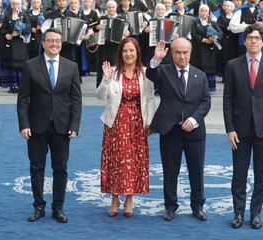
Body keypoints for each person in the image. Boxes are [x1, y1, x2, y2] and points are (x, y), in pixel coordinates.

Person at [17, 28, 82, 223]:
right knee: (37, 168)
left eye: (58, 41)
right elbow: (23, 99)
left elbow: (76, 99)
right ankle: (38, 207)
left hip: (62, 127)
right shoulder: (30, 65)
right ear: (43, 43)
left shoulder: (71, 67)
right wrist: (24, 124)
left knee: (60, 168)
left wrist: (75, 125)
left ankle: (58, 207)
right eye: (51, 41)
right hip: (36, 126)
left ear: (62, 44)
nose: (55, 44)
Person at [223, 24, 263, 229]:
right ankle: (238, 213)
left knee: (261, 174)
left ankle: (256, 213)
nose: (253, 41)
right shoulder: (232, 65)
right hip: (239, 131)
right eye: (249, 37)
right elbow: (228, 100)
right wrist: (229, 129)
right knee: (238, 174)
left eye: (256, 38)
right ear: (244, 41)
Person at [146, 38, 211, 221]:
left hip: (194, 131)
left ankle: (197, 205)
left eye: (185, 52)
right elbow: (151, 74)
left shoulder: (200, 75)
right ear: (172, 53)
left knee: (196, 170)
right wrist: (156, 59)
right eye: (177, 52)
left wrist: (193, 120)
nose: (182, 56)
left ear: (190, 53)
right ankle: (170, 207)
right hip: (170, 131)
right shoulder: (164, 71)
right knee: (170, 170)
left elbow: (205, 102)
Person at [96, 37, 155, 218]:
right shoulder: (113, 73)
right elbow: (100, 96)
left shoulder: (145, 73)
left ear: (137, 52)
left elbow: (150, 100)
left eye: (132, 50)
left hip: (138, 123)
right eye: (125, 51)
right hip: (116, 123)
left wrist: (150, 123)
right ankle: (114, 198)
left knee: (134, 161)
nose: (128, 54)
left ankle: (129, 198)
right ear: (120, 54)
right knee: (116, 161)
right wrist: (105, 80)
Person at [0, 0, 31, 94]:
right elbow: (3, 29)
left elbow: (28, 28)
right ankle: (11, 86)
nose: (15, 5)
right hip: (9, 44)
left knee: (19, 65)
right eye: (14, 4)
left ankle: (19, 86)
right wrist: (6, 35)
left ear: (20, 5)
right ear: (11, 5)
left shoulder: (23, 15)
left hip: (20, 44)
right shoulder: (7, 15)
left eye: (17, 4)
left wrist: (20, 32)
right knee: (10, 65)